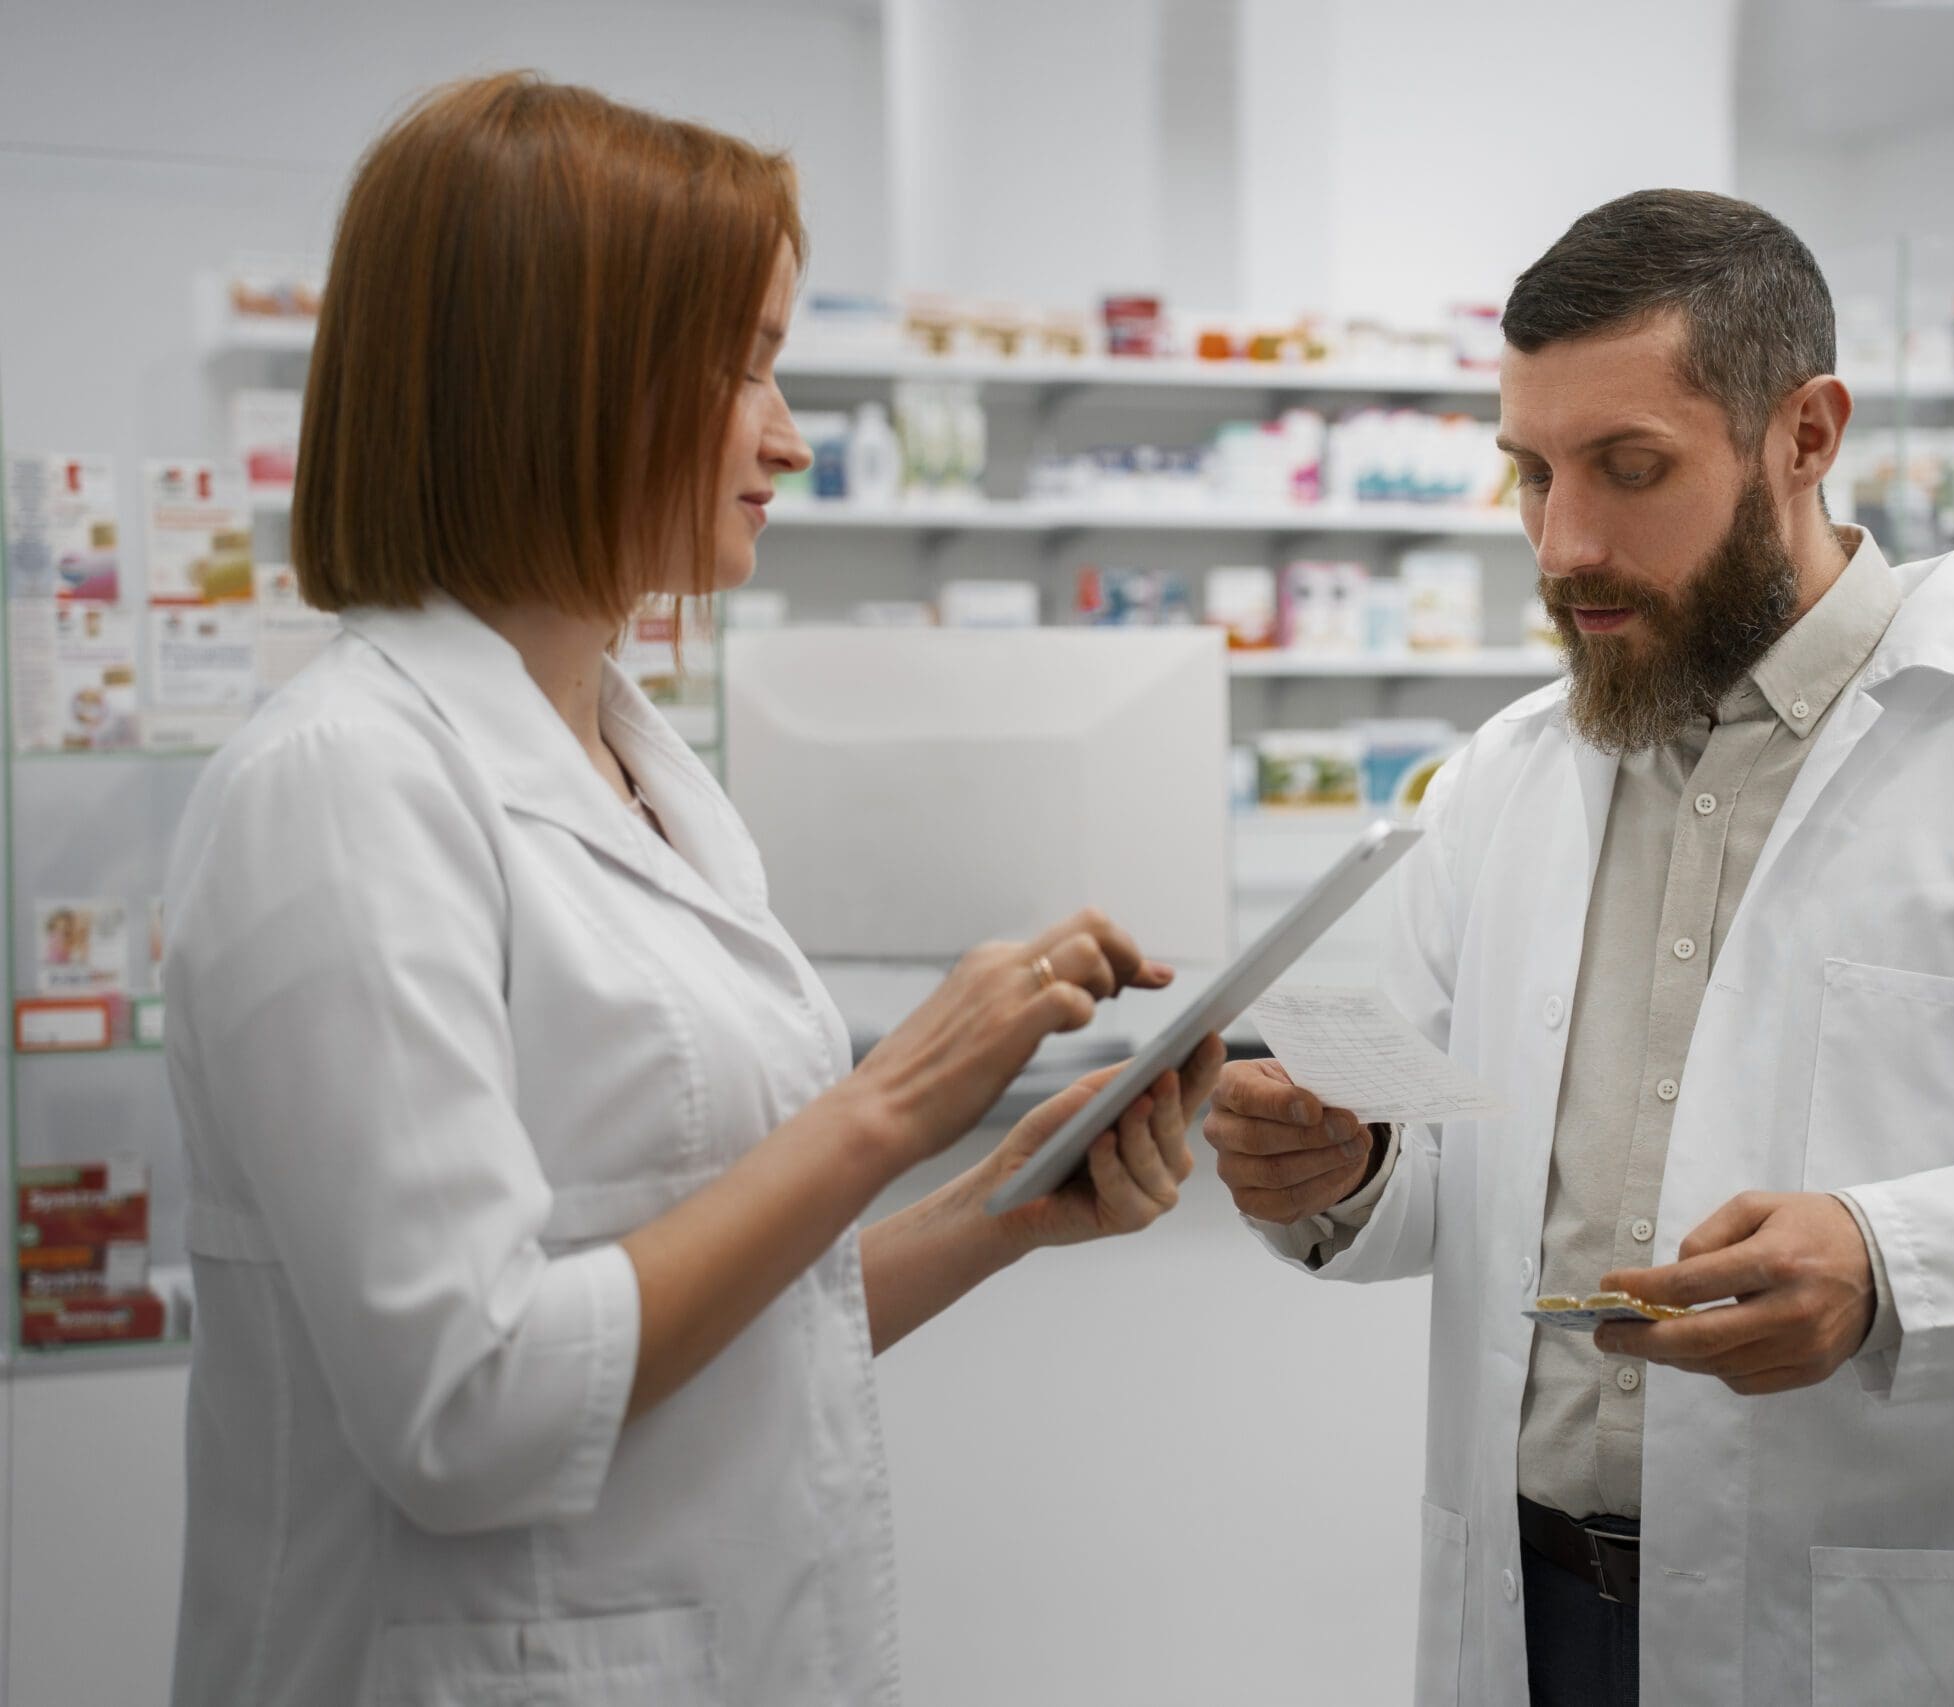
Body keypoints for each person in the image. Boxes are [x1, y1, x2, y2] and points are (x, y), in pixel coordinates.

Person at [1203, 190, 1954, 1707]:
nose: (1565, 545)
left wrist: (1895, 1266)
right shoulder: (1509, 772)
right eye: (1533, 474)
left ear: (1807, 433)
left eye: (1633, 470)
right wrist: (1351, 1171)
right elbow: (1456, 1169)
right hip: (1534, 1610)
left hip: (1869, 1641)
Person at [162, 73, 1217, 1706]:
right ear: (559, 380)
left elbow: (718, 1331)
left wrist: (994, 1211)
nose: (787, 433)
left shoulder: (649, 775)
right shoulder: (344, 791)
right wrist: (889, 1106)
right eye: (742, 366)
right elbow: (475, 1409)